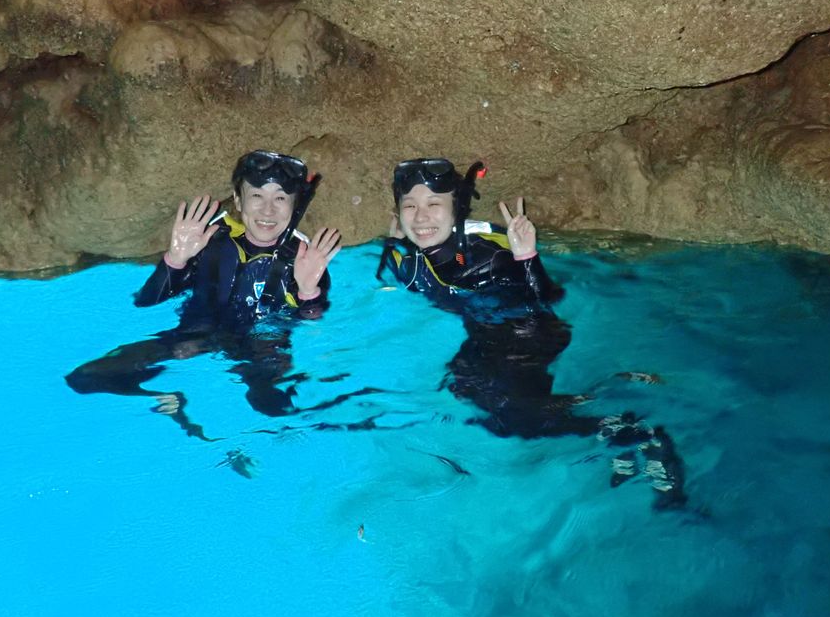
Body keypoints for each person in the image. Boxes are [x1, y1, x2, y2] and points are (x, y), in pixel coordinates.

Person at [378, 157, 686, 509]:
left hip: (528, 336)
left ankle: (628, 427)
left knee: (518, 419)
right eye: (410, 206)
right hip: (483, 340)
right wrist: (395, 243)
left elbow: (546, 299)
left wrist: (527, 257)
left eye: (434, 204)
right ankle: (610, 419)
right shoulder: (409, 256)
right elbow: (398, 276)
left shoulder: (489, 252)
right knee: (483, 407)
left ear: (457, 207)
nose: (421, 217)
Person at [66, 150, 343, 436]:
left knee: (271, 407)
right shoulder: (211, 240)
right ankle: (165, 399)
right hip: (193, 336)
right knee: (85, 378)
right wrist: (175, 260)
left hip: (262, 349)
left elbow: (312, 324)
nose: (268, 211)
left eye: (280, 199)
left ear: (294, 205)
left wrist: (309, 291)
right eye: (257, 196)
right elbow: (146, 302)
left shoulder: (305, 260)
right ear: (238, 200)